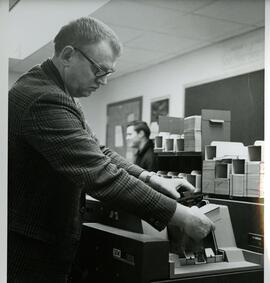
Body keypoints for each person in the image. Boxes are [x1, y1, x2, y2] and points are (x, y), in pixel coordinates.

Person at [8, 16, 214, 282]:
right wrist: (181, 216)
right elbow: (99, 174)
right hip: (30, 249)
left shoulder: (54, 90)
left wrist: (150, 178)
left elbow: (99, 151)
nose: (103, 81)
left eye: (108, 73)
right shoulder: (44, 98)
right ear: (68, 55)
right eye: (99, 70)